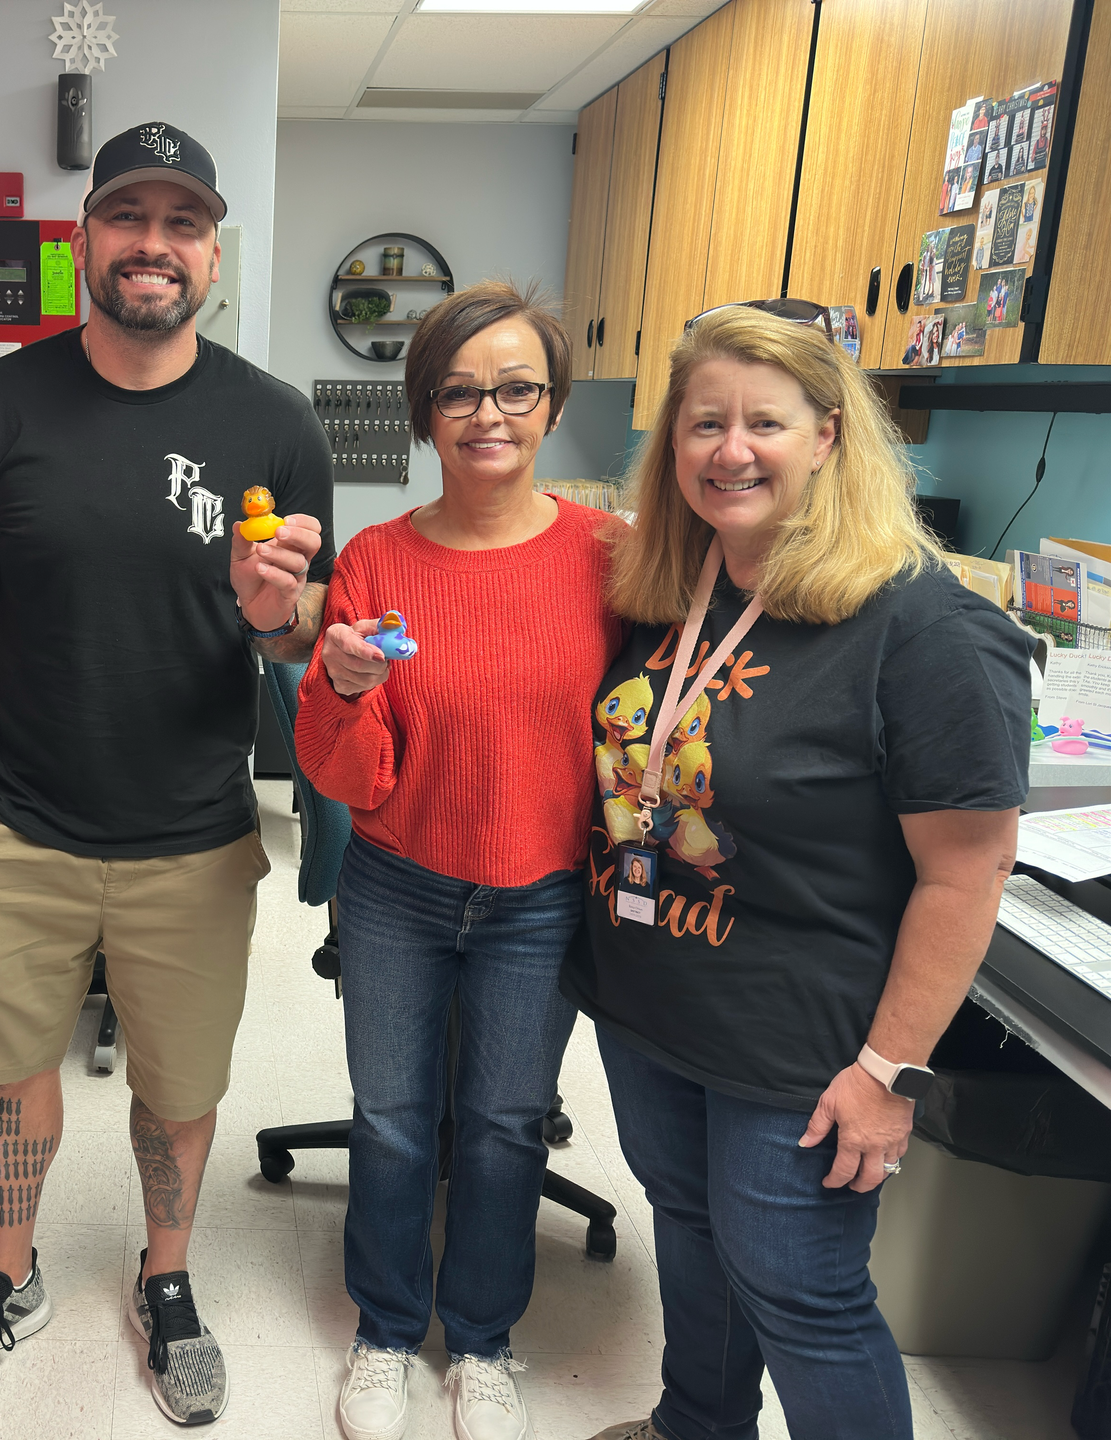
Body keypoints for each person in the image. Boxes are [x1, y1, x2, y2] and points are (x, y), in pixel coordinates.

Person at [0, 120, 333, 1425]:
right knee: (11, 1069)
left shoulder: (274, 422)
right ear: (84, 236)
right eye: (129, 217)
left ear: (212, 251)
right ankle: (5, 1274)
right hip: (17, 818)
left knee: (179, 1085)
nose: (155, 244)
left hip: (195, 831)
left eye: (183, 223)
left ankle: (168, 1279)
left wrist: (281, 618)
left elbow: (305, 641)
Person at [568, 305, 1032, 1440]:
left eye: (764, 423)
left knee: (803, 1291)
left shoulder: (922, 628)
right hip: (652, 1010)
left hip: (805, 1045)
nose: (731, 449)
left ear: (828, 435)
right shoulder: (676, 593)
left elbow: (967, 875)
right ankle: (696, 1425)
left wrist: (889, 1072)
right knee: (688, 1228)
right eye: (704, 422)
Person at [295, 281, 624, 1440]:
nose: (490, 413)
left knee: (503, 1121)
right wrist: (338, 690)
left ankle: (481, 1341)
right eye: (459, 392)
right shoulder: (377, 560)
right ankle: (387, 1330)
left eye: (517, 388)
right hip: (396, 885)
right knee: (389, 1114)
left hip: (540, 896)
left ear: (552, 403)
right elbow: (344, 776)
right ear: (423, 412)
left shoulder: (611, 556)